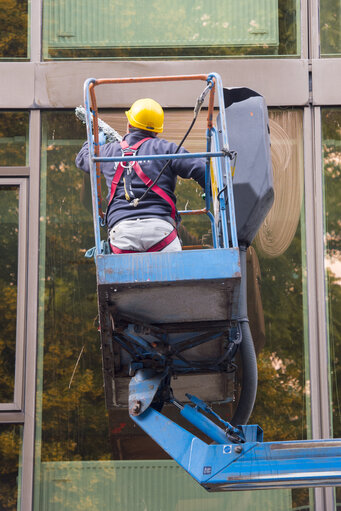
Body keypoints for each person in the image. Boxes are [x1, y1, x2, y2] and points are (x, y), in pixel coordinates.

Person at [75, 98, 206, 253]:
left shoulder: (109, 152)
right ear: (157, 130)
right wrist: (211, 191)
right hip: (161, 233)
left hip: (122, 234)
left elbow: (83, 160)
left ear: (129, 124)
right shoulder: (166, 149)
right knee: (171, 276)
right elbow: (201, 168)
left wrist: (93, 143)